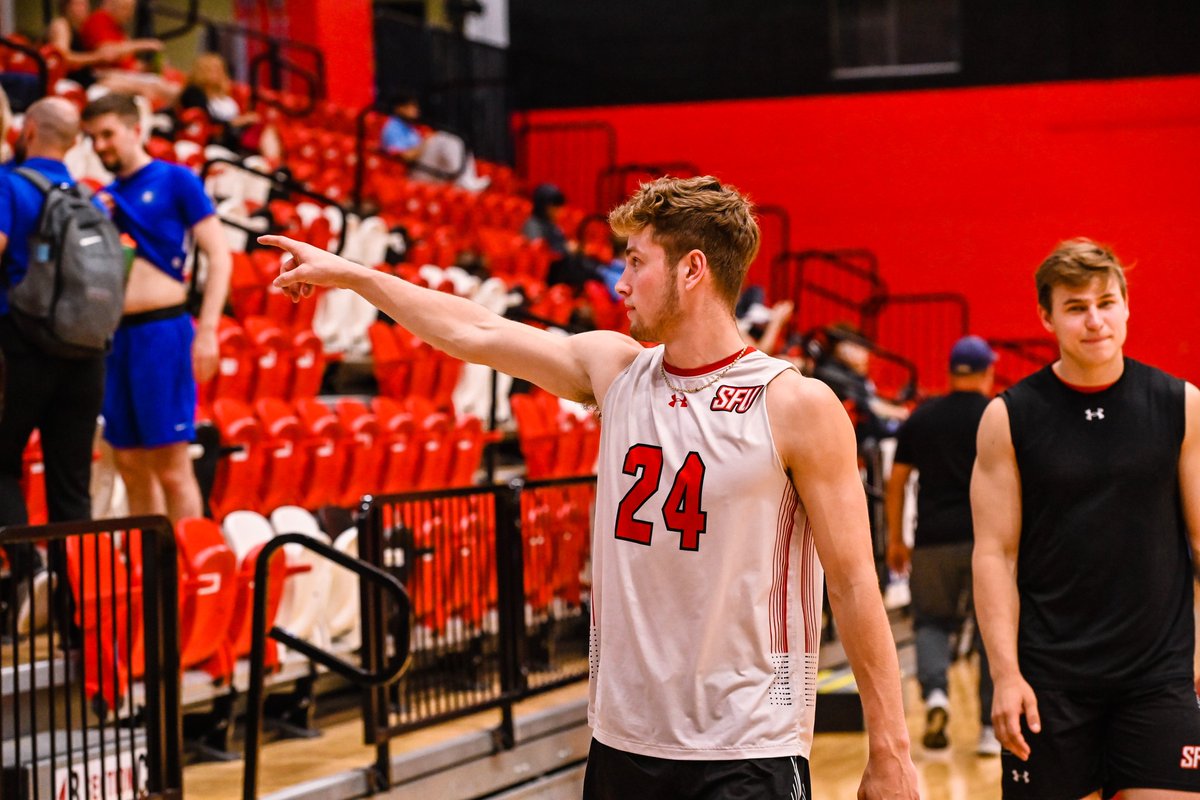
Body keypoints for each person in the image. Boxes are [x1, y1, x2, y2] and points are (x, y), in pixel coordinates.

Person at [260, 176, 918, 798]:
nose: (621, 283)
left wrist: (890, 750)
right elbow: (475, 330)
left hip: (746, 746)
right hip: (621, 739)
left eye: (636, 262)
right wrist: (356, 276)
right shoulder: (616, 368)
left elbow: (855, 581)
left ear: (693, 270)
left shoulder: (795, 404)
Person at [972, 238, 1200, 799]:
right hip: (1048, 682)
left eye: (1107, 302)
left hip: (1158, 678)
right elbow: (994, 555)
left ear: (1127, 305)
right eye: (1076, 307)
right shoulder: (1008, 417)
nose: (1095, 320)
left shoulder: (1181, 405)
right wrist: (1005, 676)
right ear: (1046, 317)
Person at [81, 92, 231, 523]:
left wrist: (208, 331)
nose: (102, 145)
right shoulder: (102, 200)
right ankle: (155, 576)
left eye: (108, 134)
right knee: (129, 465)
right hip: (116, 338)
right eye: (93, 138)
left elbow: (219, 256)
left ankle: (190, 576)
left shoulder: (176, 180)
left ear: (135, 129)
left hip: (163, 334)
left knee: (172, 468)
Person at [0, 98, 106, 622]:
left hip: (21, 348)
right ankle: (73, 611)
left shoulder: (10, 184)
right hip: (86, 355)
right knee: (72, 489)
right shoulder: (91, 198)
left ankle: (28, 571)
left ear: (30, 129)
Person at [885, 334, 998, 755]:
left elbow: (896, 482)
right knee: (992, 630)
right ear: (987, 372)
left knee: (931, 621)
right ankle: (990, 728)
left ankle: (936, 697)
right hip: (987, 542)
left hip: (931, 540)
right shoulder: (997, 414)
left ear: (951, 373)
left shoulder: (923, 417)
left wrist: (897, 538)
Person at [379, 93, 489, 192]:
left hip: (428, 168)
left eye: (415, 106)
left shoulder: (411, 128)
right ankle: (463, 182)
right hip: (413, 171)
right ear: (398, 109)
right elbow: (406, 157)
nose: (415, 110)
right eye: (410, 107)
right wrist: (426, 142)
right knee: (440, 140)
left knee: (458, 142)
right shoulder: (392, 128)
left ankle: (467, 180)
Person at [47, 0, 162, 88]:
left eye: (85, 4)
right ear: (66, 7)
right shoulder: (61, 24)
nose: (84, 8)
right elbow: (60, 57)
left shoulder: (80, 28)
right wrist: (97, 57)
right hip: (69, 81)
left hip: (84, 78)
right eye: (78, 4)